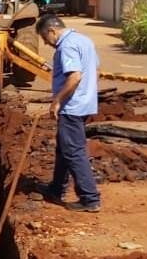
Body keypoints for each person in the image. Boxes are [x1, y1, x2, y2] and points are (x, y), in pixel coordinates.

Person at [36, 15, 101, 213]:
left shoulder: (66, 47)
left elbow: (74, 76)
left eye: (45, 38)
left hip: (72, 107)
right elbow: (96, 71)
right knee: (64, 148)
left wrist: (57, 100)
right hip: (84, 104)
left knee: (73, 151)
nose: (47, 43)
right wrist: (88, 93)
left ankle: (90, 199)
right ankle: (56, 188)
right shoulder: (84, 40)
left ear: (51, 31)